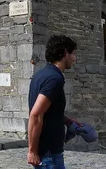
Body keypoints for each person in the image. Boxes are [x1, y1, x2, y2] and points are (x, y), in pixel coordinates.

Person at [28, 35, 78, 169]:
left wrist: (68, 121)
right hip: (48, 154)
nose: (75, 59)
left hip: (47, 153)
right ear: (65, 53)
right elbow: (36, 114)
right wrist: (32, 151)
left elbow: (48, 111)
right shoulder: (54, 79)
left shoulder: (42, 74)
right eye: (74, 54)